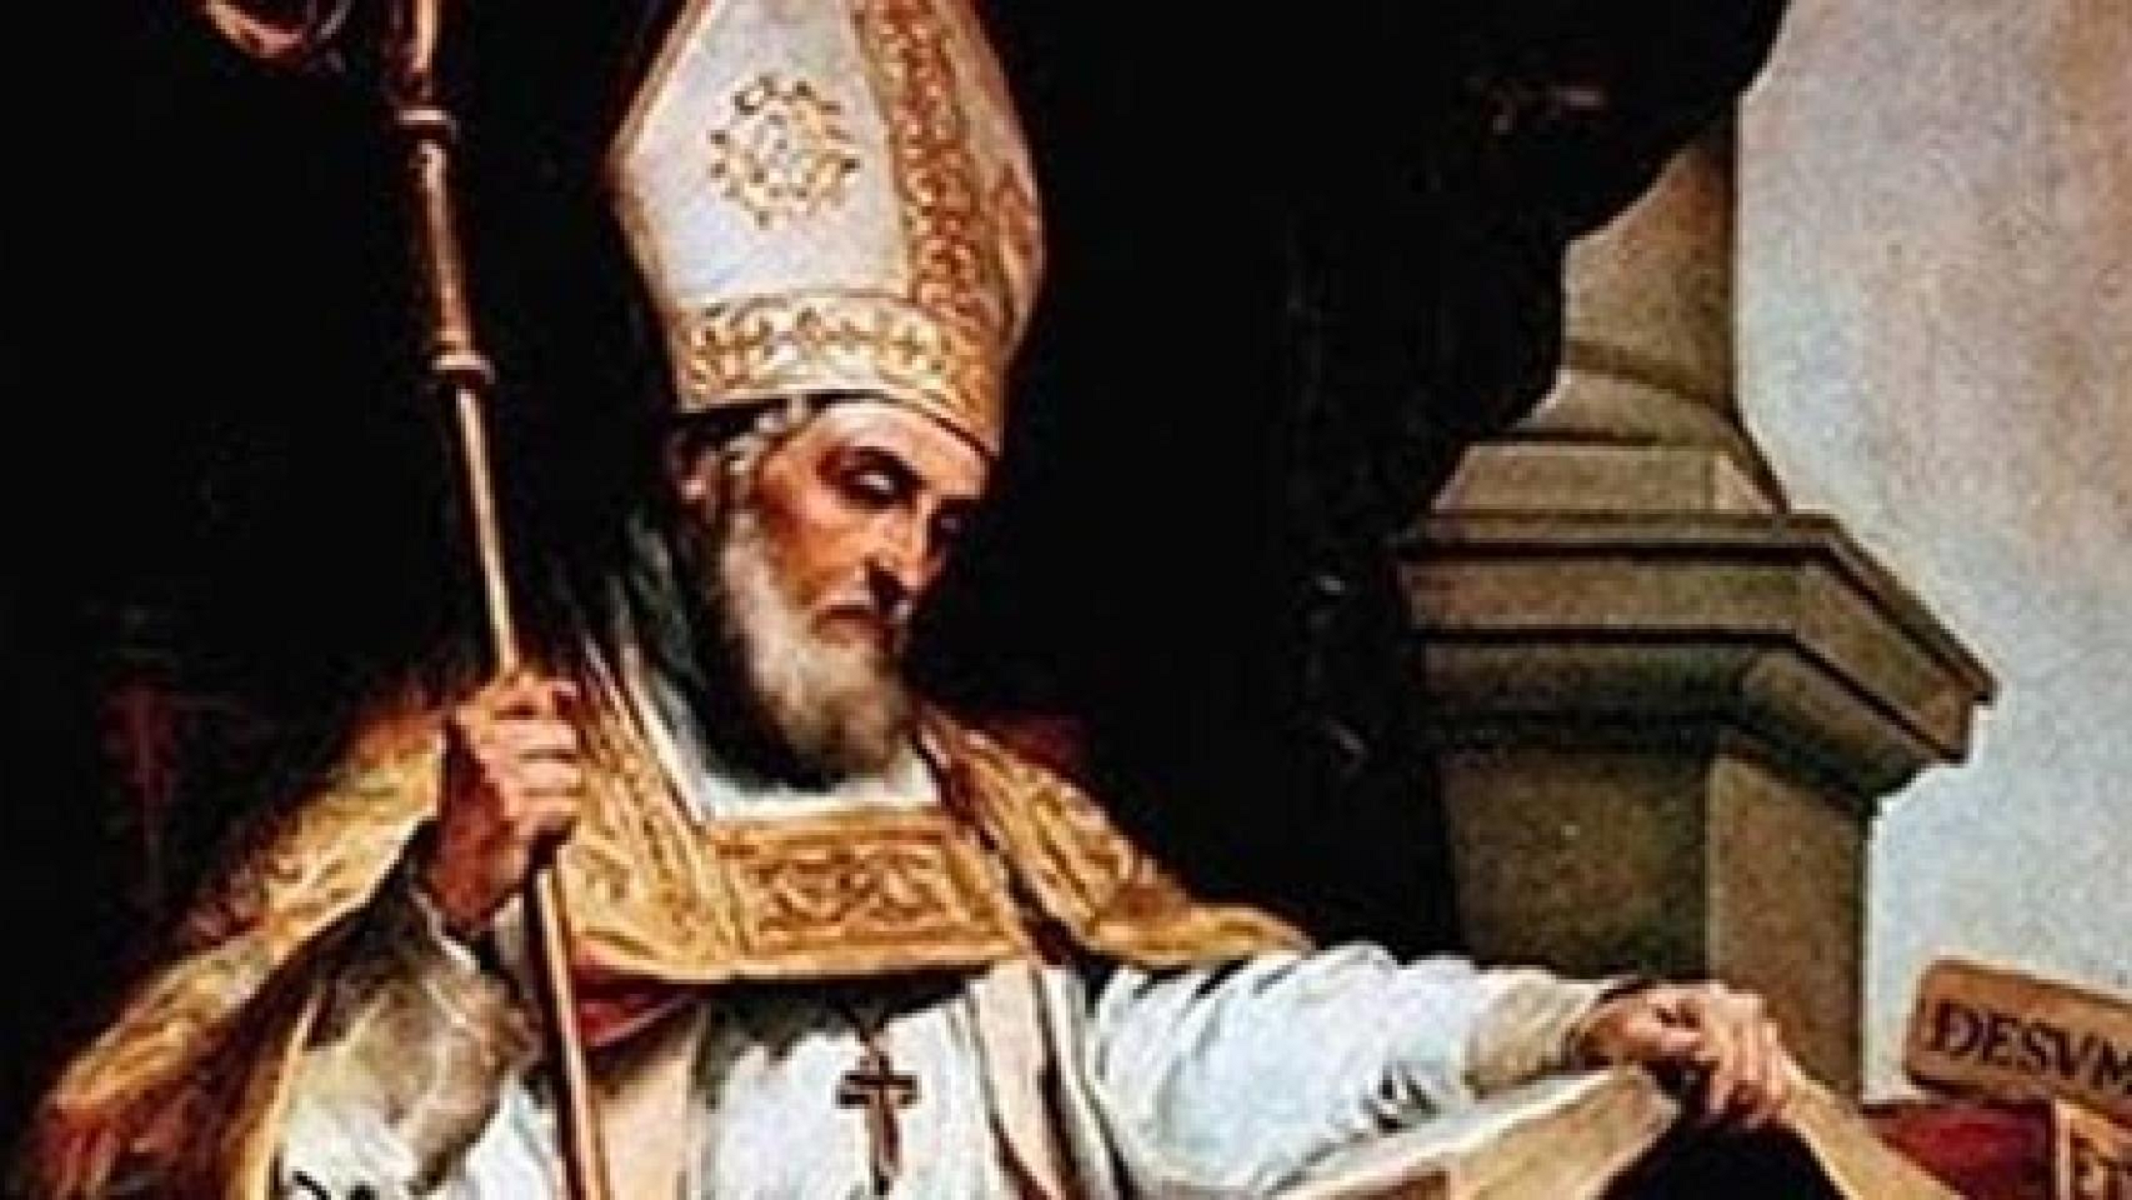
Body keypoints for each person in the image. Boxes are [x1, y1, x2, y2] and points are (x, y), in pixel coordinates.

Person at [25, 0, 1795, 1195]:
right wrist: (443, 929)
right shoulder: (483, 807)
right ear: (700, 469)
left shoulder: (977, 815)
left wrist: (1560, 1023)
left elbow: (1190, 1057)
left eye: (948, 522)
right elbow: (211, 1162)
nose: (906, 564)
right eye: (868, 486)